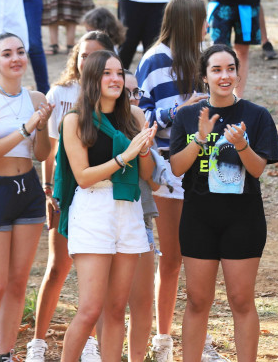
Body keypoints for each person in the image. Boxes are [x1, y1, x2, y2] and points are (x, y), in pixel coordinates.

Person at [168, 44, 278, 361]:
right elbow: (177, 168)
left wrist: (242, 145)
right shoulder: (189, 115)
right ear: (204, 76)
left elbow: (258, 169)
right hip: (198, 219)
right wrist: (200, 138)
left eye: (230, 68)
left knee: (242, 300)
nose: (225, 75)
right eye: (217, 70)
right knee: (196, 300)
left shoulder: (256, 115)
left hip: (243, 220)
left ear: (237, 71)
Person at [53, 50, 157, 362]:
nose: (115, 79)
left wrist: (143, 152)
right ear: (92, 79)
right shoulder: (75, 120)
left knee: (116, 308)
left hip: (128, 207)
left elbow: (148, 176)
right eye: (106, 73)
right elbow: (83, 177)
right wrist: (125, 156)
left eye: (119, 72)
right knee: (89, 310)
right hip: (93, 207)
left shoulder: (134, 117)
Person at [26, 30, 115, 362]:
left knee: (93, 270)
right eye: (82, 55)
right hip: (66, 189)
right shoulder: (61, 93)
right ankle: (38, 342)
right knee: (58, 266)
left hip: (99, 191)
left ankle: (90, 341)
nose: (87, 61)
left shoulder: (112, 93)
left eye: (95, 55)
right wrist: (48, 190)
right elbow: (49, 150)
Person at [134, 0, 209, 361]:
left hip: (203, 165)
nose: (206, 26)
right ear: (187, 23)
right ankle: (162, 338)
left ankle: (198, 338)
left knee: (202, 257)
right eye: (201, 20)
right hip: (165, 167)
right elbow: (140, 116)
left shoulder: (203, 54)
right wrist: (178, 110)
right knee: (171, 257)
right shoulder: (154, 59)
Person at [0, 33, 52, 362]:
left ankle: (5, 354)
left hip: (28, 191)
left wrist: (42, 127)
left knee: (18, 283)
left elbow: (43, 153)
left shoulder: (36, 97)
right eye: (7, 54)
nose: (15, 58)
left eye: (20, 52)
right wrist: (27, 127)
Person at [124, 68, 162, 362]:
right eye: (126, 92)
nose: (132, 98)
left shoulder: (140, 122)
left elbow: (154, 180)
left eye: (136, 92)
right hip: (102, 223)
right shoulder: (91, 123)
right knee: (106, 304)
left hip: (140, 220)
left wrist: (146, 149)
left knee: (142, 303)